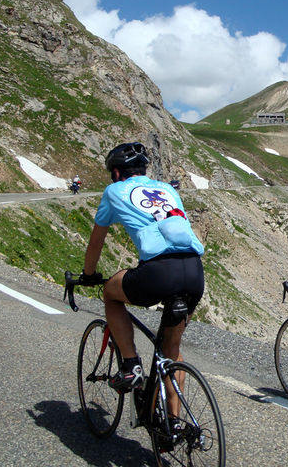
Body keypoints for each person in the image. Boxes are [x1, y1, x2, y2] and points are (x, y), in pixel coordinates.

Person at [81, 142, 205, 392]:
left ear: (116, 173)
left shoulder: (114, 190)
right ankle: (175, 426)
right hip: (194, 271)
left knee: (110, 294)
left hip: (158, 273)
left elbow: (96, 243)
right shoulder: (167, 189)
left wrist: (88, 274)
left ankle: (131, 364)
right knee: (171, 353)